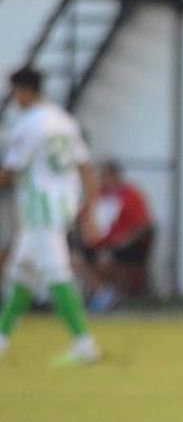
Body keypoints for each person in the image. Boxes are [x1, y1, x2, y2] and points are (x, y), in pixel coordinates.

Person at [0, 67, 101, 364]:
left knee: (57, 273)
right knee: (22, 273)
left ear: (26, 91)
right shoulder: (65, 122)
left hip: (41, 208)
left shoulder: (28, 126)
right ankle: (2, 339)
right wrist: (89, 208)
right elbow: (84, 167)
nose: (14, 98)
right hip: (61, 205)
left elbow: (10, 172)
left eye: (16, 91)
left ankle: (84, 343)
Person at [77, 159, 153, 312]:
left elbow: (143, 225)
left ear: (114, 175)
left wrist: (125, 241)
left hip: (125, 245)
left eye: (104, 175)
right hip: (98, 243)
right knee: (75, 258)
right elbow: (81, 217)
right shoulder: (97, 195)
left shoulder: (131, 195)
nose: (101, 179)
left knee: (105, 259)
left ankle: (109, 296)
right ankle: (102, 293)